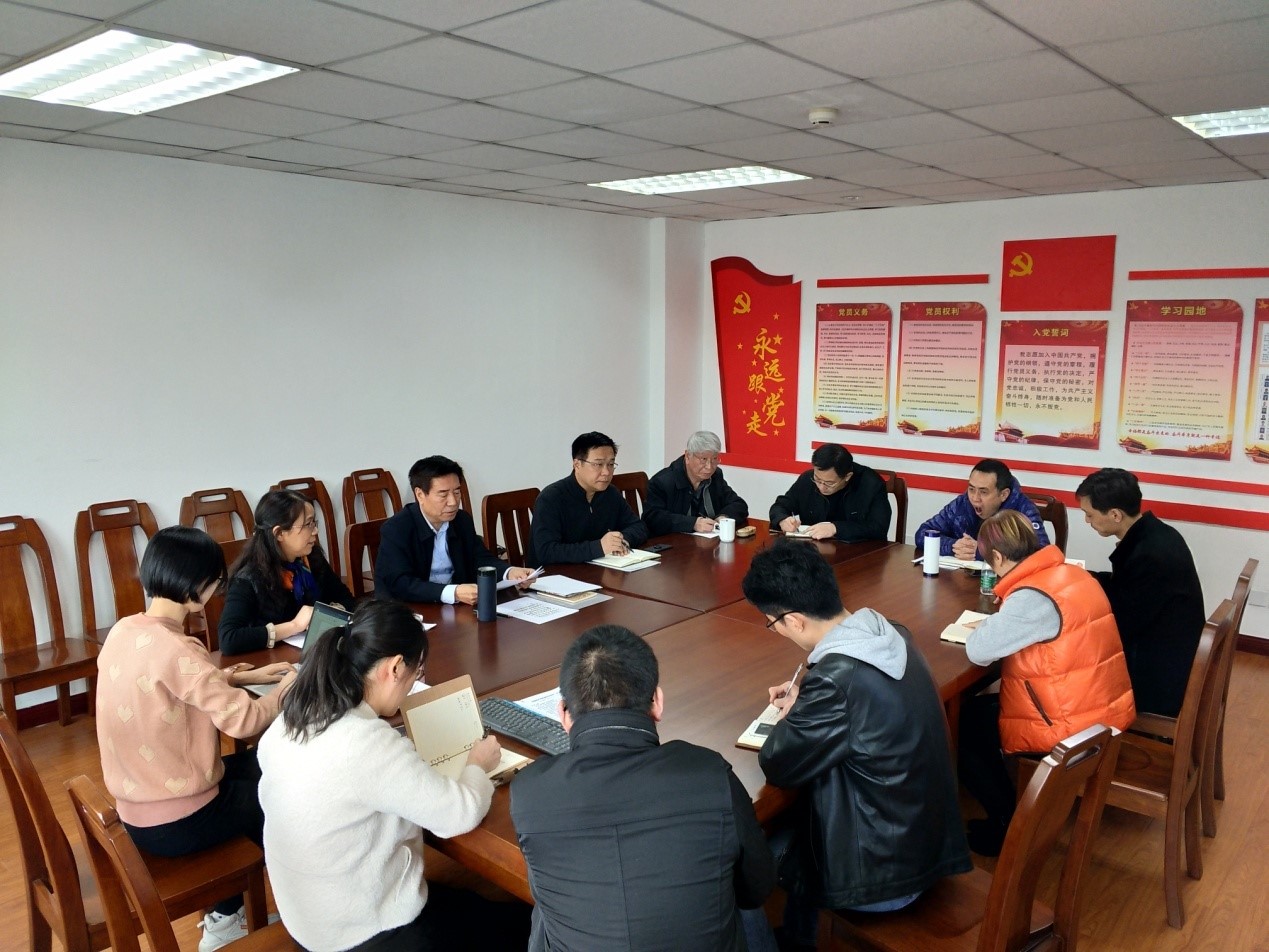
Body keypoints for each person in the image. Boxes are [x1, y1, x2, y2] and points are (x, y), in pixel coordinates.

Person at [257, 599, 529, 952]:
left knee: (474, 907)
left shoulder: (295, 717)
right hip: (361, 933)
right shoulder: (364, 742)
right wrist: (477, 764)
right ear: (395, 667)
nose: (414, 684)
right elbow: (458, 814)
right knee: (522, 926)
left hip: (309, 916)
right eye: (417, 673)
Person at [741, 541, 970, 950]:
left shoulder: (835, 679)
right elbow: (860, 706)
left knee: (748, 857)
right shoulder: (889, 633)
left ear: (794, 620)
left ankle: (799, 941)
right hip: (927, 842)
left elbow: (779, 763)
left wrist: (798, 713)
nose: (775, 631)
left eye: (771, 623)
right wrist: (810, 703)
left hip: (885, 876)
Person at [510, 625, 776, 952]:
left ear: (563, 714)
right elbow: (756, 889)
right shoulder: (709, 773)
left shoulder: (529, 791)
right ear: (657, 702)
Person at [96, 526, 297, 952]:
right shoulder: (180, 650)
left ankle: (231, 907)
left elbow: (167, 687)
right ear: (197, 587)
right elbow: (244, 721)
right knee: (280, 791)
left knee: (263, 767)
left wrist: (238, 678)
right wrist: (284, 691)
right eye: (216, 582)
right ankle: (230, 919)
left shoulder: (124, 630)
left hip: (138, 808)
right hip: (179, 820)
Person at [960, 510, 1135, 856]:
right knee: (979, 713)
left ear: (998, 558)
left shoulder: (1033, 597)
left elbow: (978, 650)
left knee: (963, 725)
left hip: (1073, 726)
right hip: (1101, 708)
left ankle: (1007, 824)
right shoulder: (1070, 574)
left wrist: (992, 621)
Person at [1075, 468, 1204, 717]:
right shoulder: (1157, 534)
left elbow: (1122, 622)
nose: (1087, 521)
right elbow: (1127, 589)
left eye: (1089, 515)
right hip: (1168, 652)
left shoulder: (1150, 555)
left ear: (1115, 515)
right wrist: (1083, 577)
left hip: (1160, 679)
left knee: (1071, 676)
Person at [375, 455, 534, 604]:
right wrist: (454, 592)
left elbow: (480, 558)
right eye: (443, 494)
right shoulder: (396, 529)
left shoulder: (461, 520)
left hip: (456, 609)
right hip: (411, 611)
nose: (453, 502)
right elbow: (400, 583)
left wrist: (510, 572)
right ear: (420, 494)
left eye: (457, 492)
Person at [219, 490, 354, 656]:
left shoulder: (311, 558)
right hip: (270, 660)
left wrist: (325, 616)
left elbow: (347, 600)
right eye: (308, 524)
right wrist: (294, 626)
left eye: (314, 523)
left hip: (314, 654)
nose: (315, 531)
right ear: (279, 533)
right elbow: (228, 639)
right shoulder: (249, 578)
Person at [527, 431, 649, 565]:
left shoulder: (610, 493)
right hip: (556, 574)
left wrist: (622, 540)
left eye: (611, 464)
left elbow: (638, 526)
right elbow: (546, 551)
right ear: (577, 464)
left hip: (599, 569)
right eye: (598, 464)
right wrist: (599, 547)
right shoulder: (551, 498)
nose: (606, 472)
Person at [914, 458, 1048, 558]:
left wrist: (981, 551)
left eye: (983, 492)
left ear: (1003, 494)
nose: (975, 498)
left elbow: (1041, 554)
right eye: (971, 489)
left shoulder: (1024, 510)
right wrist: (953, 546)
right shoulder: (962, 503)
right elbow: (922, 534)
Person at [769, 443, 891, 541]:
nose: (821, 487)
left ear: (847, 476)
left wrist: (836, 528)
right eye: (817, 479)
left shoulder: (871, 484)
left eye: (829, 483)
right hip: (812, 552)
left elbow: (878, 528)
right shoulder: (807, 479)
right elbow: (780, 505)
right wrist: (782, 519)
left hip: (859, 555)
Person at [643, 430, 749, 535]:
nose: (709, 467)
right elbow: (652, 518)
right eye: (703, 459)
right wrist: (693, 524)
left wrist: (723, 517)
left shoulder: (715, 476)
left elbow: (739, 504)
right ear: (688, 456)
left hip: (707, 542)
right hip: (672, 542)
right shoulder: (662, 481)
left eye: (714, 458)